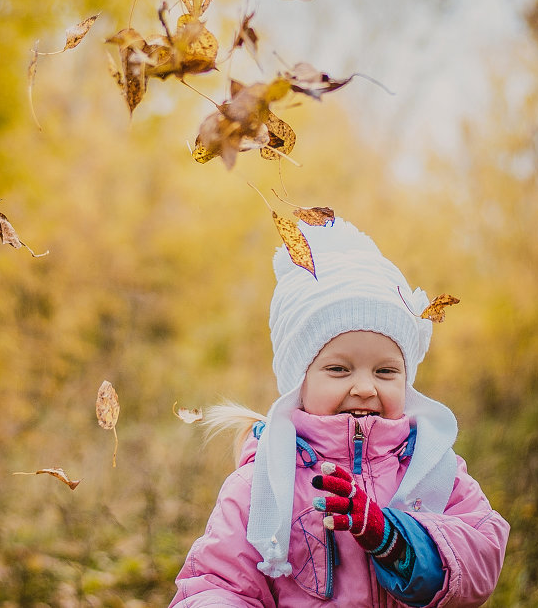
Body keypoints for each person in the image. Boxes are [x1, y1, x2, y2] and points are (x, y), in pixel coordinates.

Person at [170, 218, 509, 607]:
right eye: (339, 369)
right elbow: (219, 584)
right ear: (301, 382)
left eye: (385, 371)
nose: (365, 387)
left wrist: (394, 538)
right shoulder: (263, 483)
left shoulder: (432, 469)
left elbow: (483, 553)